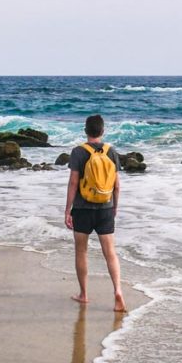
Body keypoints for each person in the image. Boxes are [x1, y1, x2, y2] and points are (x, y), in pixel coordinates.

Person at [64, 114, 126, 312]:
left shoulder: (78, 152)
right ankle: (118, 291)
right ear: (103, 131)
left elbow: (74, 182)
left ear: (85, 131)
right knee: (110, 254)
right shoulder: (111, 152)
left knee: (81, 252)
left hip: (82, 209)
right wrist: (115, 207)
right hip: (105, 208)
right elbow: (117, 185)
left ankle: (84, 294)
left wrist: (67, 210)